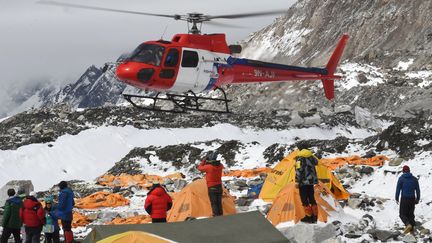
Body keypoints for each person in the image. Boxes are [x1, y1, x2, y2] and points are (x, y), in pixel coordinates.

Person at [295, 144, 319, 223]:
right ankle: (315, 217)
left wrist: (297, 181)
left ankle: (308, 217)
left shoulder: (300, 158)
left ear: (300, 150)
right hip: (311, 181)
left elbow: (299, 171)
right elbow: (316, 162)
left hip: (303, 182)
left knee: (304, 200)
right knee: (312, 198)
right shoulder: (311, 157)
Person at [198, 151, 224, 216]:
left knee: (214, 203)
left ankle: (216, 217)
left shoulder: (209, 167)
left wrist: (204, 160)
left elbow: (199, 168)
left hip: (212, 187)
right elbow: (219, 164)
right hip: (219, 186)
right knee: (219, 202)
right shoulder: (220, 166)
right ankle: (221, 216)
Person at [395, 165, 420, 234]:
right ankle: (412, 230)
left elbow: (398, 189)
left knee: (402, 214)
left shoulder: (401, 179)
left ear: (403, 171)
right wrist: (417, 198)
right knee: (410, 214)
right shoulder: (414, 179)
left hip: (404, 198)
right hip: (412, 199)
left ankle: (408, 224)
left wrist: (396, 198)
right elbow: (418, 190)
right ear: (409, 171)